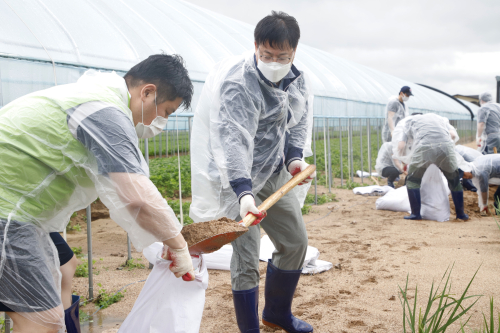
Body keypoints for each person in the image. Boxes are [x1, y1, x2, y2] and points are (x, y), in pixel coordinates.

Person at [0, 54, 195, 333]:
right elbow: (135, 194)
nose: (162, 121)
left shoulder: (98, 97)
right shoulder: (105, 112)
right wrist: (177, 244)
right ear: (147, 92)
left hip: (21, 208)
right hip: (8, 211)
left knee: (65, 266)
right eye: (165, 112)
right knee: (41, 321)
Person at [190, 11, 314, 333]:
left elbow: (297, 124)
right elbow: (234, 141)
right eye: (267, 55)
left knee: (295, 243)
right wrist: (243, 192)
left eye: (282, 56)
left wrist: (294, 161)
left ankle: (277, 314)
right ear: (256, 46)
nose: (274, 62)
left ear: (294, 52)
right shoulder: (239, 82)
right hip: (235, 179)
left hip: (272, 174)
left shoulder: (298, 79)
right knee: (246, 259)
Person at [392, 113, 469, 221]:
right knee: (455, 181)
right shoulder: (439, 119)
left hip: (424, 148)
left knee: (413, 180)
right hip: (445, 147)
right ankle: (461, 214)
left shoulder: (410, 121)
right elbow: (452, 135)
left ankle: (415, 214)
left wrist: (405, 159)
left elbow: (401, 145)